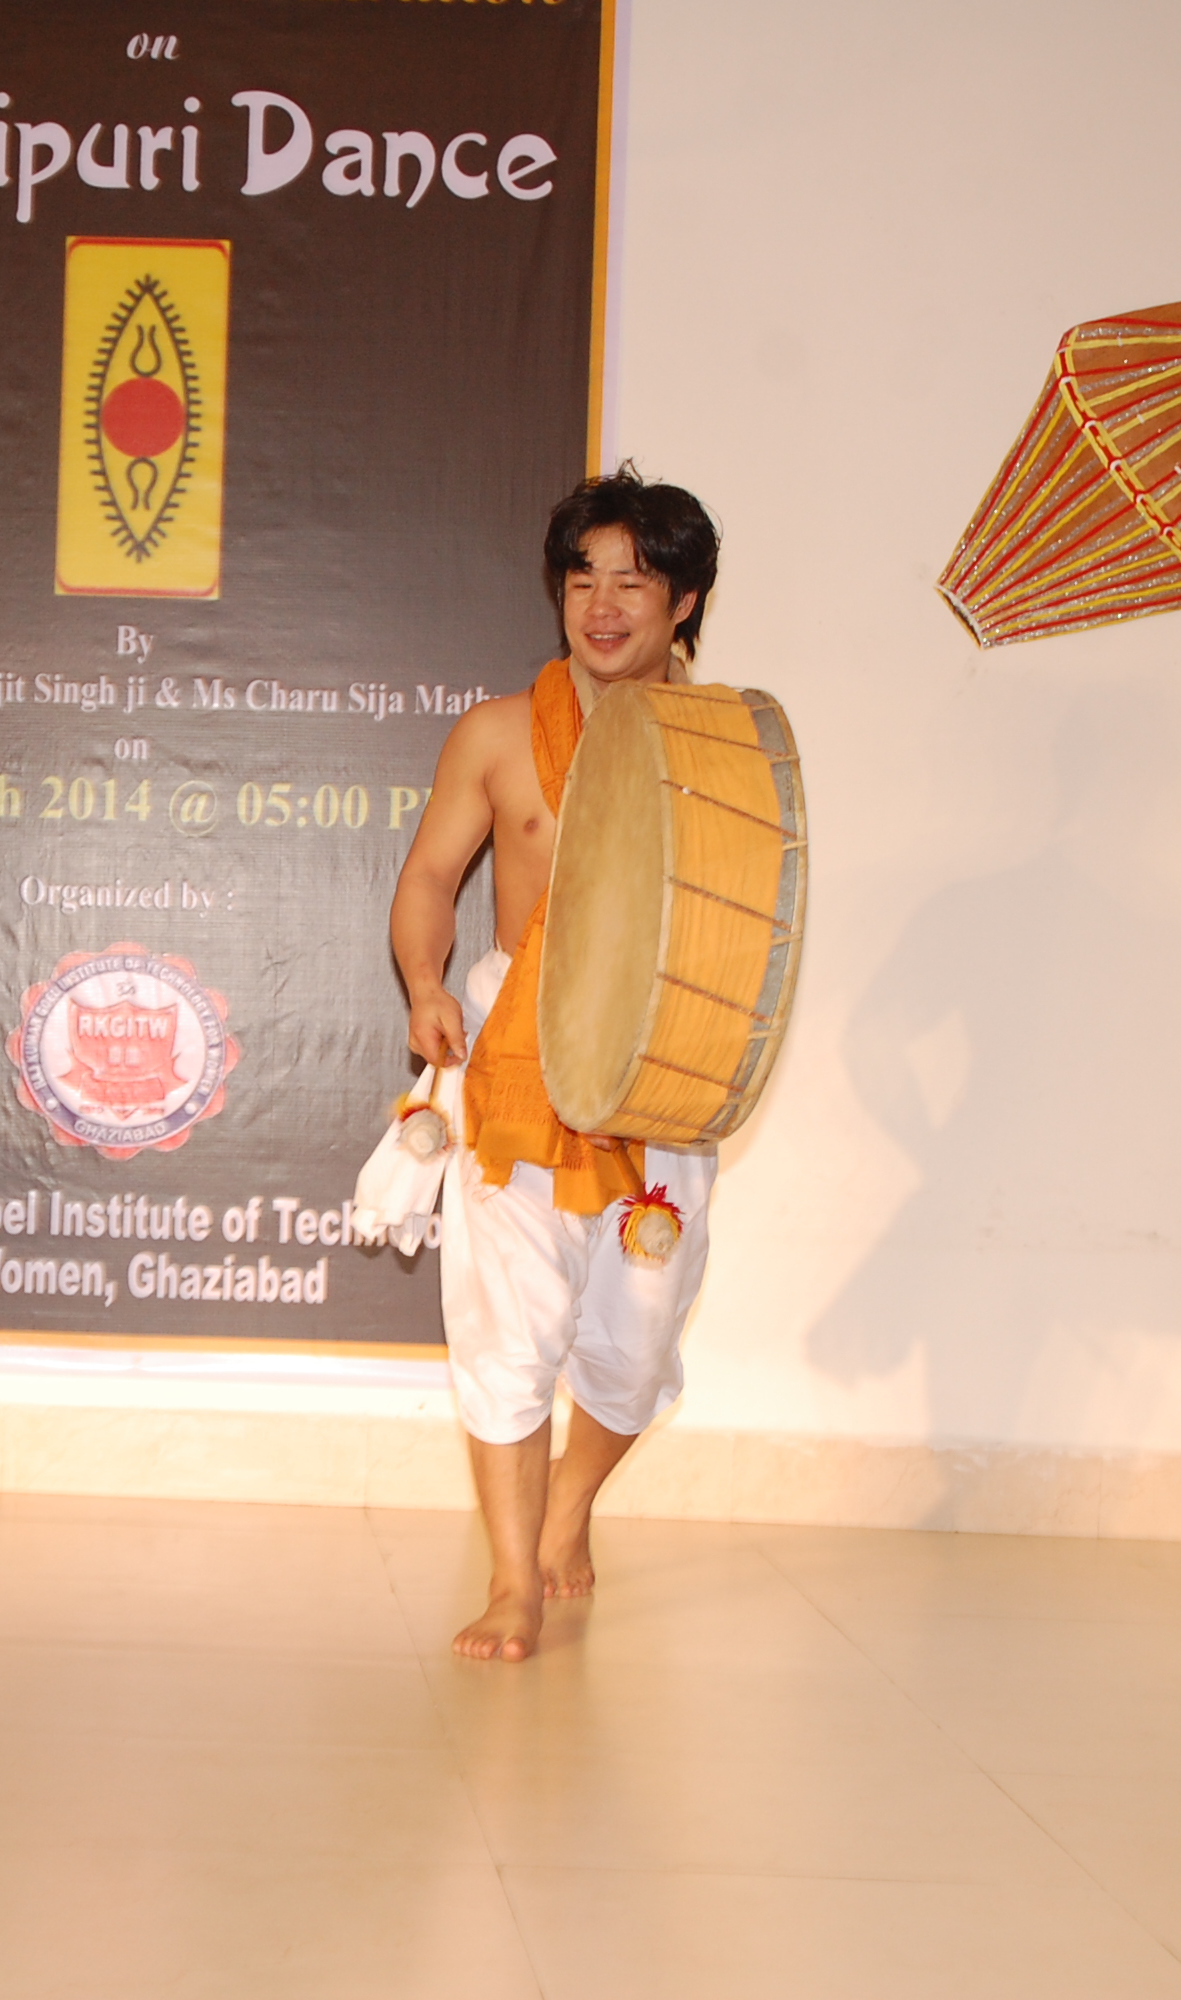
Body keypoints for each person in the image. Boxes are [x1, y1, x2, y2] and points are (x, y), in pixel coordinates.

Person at [389, 467, 720, 1662]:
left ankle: (568, 1504)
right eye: (582, 578)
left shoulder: (720, 746)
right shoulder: (495, 733)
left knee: (636, 1337)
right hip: (517, 1052)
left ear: (683, 601)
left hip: (660, 1061)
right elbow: (432, 876)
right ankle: (511, 1579)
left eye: (632, 580)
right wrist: (427, 985)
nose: (602, 604)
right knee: (507, 1322)